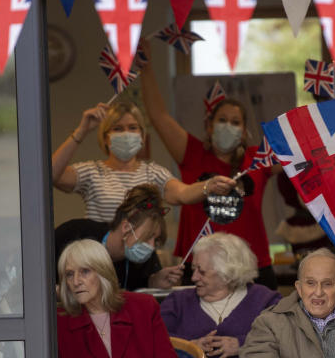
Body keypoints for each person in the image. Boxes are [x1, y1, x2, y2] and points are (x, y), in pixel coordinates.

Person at [140, 54, 278, 289]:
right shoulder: (192, 153)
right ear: (209, 125)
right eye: (222, 120)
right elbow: (159, 117)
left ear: (244, 131)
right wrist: (146, 68)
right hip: (200, 267)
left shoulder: (257, 157)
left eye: (235, 122)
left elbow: (299, 156)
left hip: (251, 266)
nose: (228, 126)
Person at [51, 100, 236, 222]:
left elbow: (182, 193)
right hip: (100, 263)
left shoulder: (153, 173)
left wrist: (208, 186)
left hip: (140, 264)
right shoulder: (91, 172)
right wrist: (81, 130)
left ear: (141, 136)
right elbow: (50, 175)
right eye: (118, 129)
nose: (126, 134)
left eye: (133, 128)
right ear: (106, 137)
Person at [54, 184, 182, 291]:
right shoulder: (73, 234)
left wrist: (153, 282)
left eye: (156, 240)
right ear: (126, 227)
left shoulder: (146, 260)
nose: (152, 246)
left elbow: (138, 295)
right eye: (148, 237)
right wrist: (66, 294)